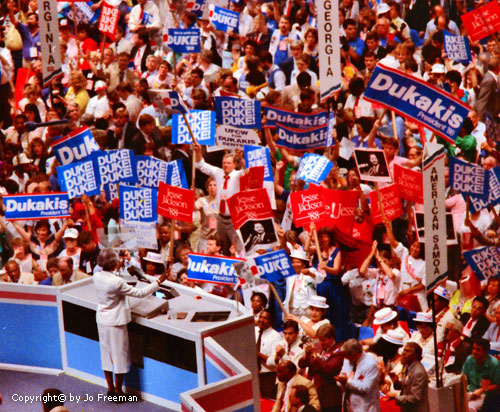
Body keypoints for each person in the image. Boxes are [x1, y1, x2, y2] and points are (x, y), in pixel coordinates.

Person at [93, 249, 167, 397]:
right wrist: (158, 282)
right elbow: (139, 293)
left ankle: (110, 389)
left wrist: (117, 265)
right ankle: (119, 391)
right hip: (116, 323)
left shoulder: (96, 276)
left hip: (102, 320)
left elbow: (111, 276)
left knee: (106, 356)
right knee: (119, 357)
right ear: (113, 263)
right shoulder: (117, 282)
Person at [299, 324, 343, 412]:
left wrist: (314, 355)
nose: (321, 343)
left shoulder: (339, 351)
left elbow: (329, 370)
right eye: (320, 340)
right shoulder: (317, 346)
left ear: (332, 338)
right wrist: (306, 355)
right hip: (312, 395)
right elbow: (301, 364)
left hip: (329, 399)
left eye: (324, 340)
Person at [335, 339, 380, 412]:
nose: (345, 358)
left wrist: (347, 381)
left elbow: (366, 388)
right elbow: (341, 379)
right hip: (348, 406)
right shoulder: (347, 360)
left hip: (365, 408)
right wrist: (341, 381)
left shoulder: (371, 364)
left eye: (347, 356)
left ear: (354, 354)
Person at [386, 342, 429, 412]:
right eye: (404, 350)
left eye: (407, 351)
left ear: (415, 355)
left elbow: (415, 398)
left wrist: (396, 397)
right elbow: (407, 386)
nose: (403, 353)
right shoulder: (408, 366)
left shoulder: (418, 372)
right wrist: (396, 382)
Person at [462, 338, 500, 412]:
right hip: (470, 392)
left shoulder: (494, 363)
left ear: (486, 351)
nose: (474, 352)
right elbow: (463, 377)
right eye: (473, 348)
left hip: (485, 395)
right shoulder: (470, 359)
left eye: (478, 349)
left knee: (469, 408)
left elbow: (497, 385)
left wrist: (482, 390)